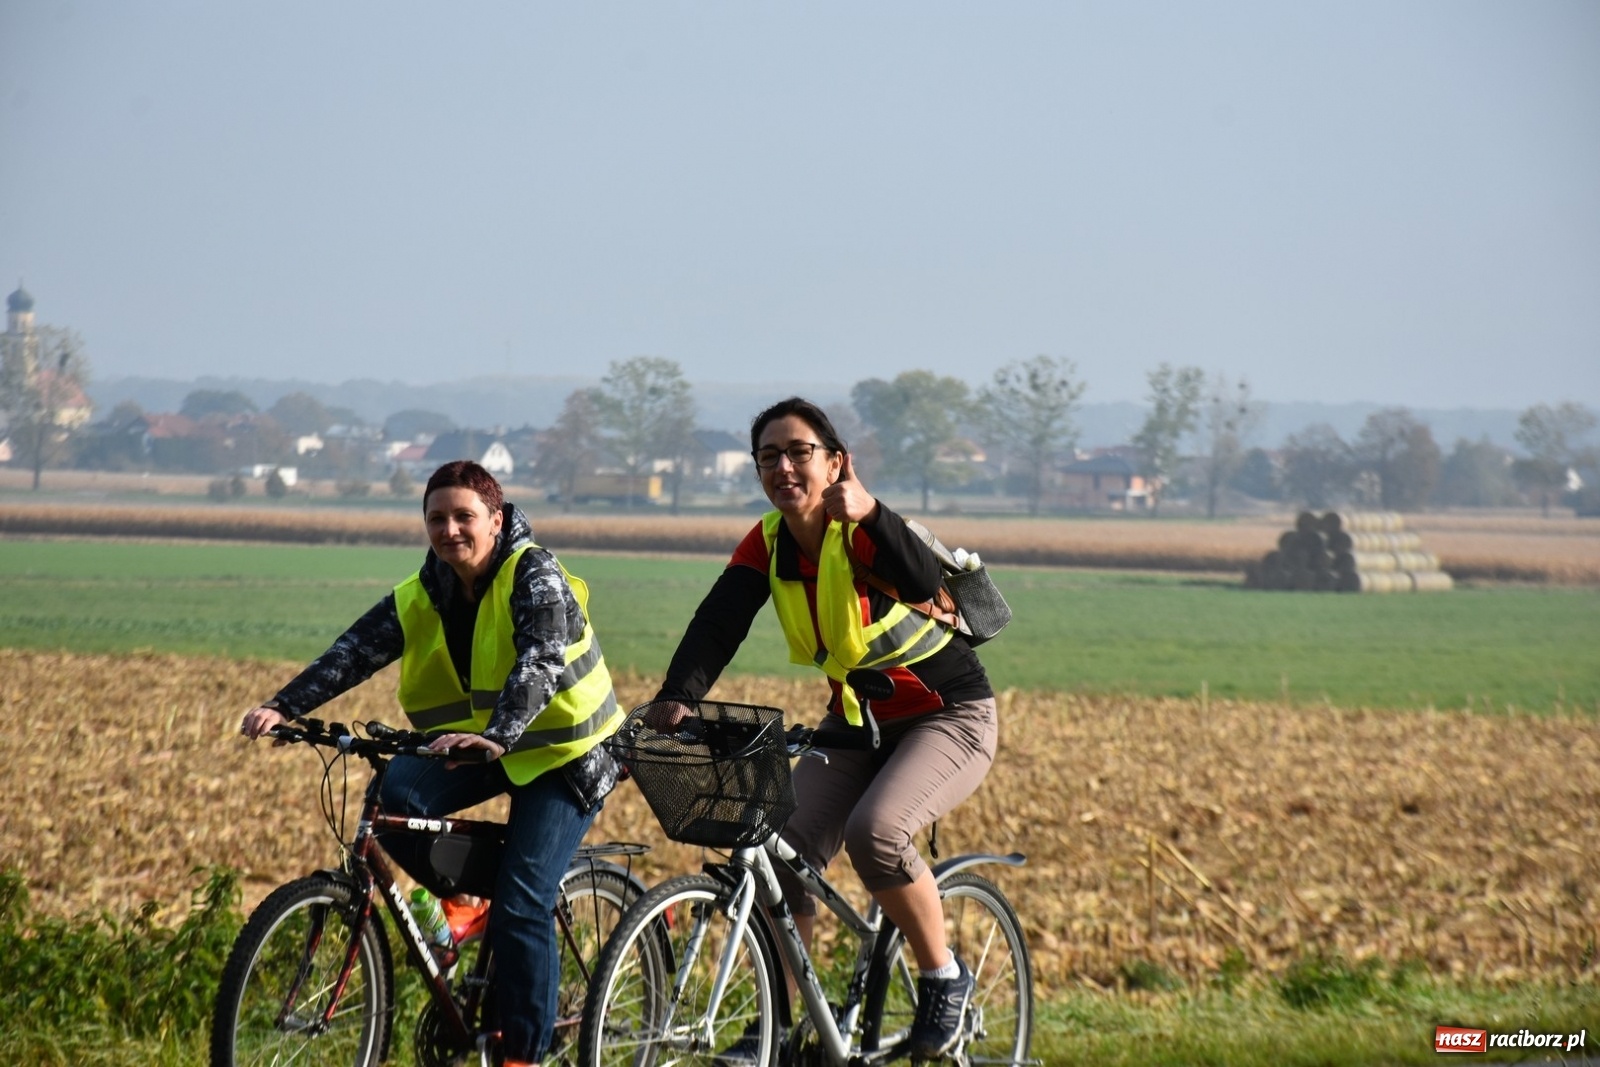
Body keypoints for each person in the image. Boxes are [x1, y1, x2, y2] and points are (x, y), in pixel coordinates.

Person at [240, 460, 623, 1067]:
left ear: (496, 520)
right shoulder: (425, 592)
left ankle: (526, 1052)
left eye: (464, 516)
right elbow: (354, 651)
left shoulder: (535, 574)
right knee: (400, 796)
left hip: (567, 754)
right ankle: (471, 904)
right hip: (484, 743)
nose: (450, 530)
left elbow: (543, 659)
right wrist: (284, 705)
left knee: (524, 899)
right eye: (437, 518)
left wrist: (498, 734)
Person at [651, 397, 998, 1062]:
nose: (783, 466)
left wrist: (870, 511)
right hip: (855, 725)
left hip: (947, 716)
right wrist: (676, 696)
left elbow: (923, 576)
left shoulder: (861, 526)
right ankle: (783, 1023)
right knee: (781, 848)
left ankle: (942, 974)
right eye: (768, 457)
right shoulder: (769, 542)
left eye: (799, 451)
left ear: (836, 462)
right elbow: (719, 621)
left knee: (878, 831)